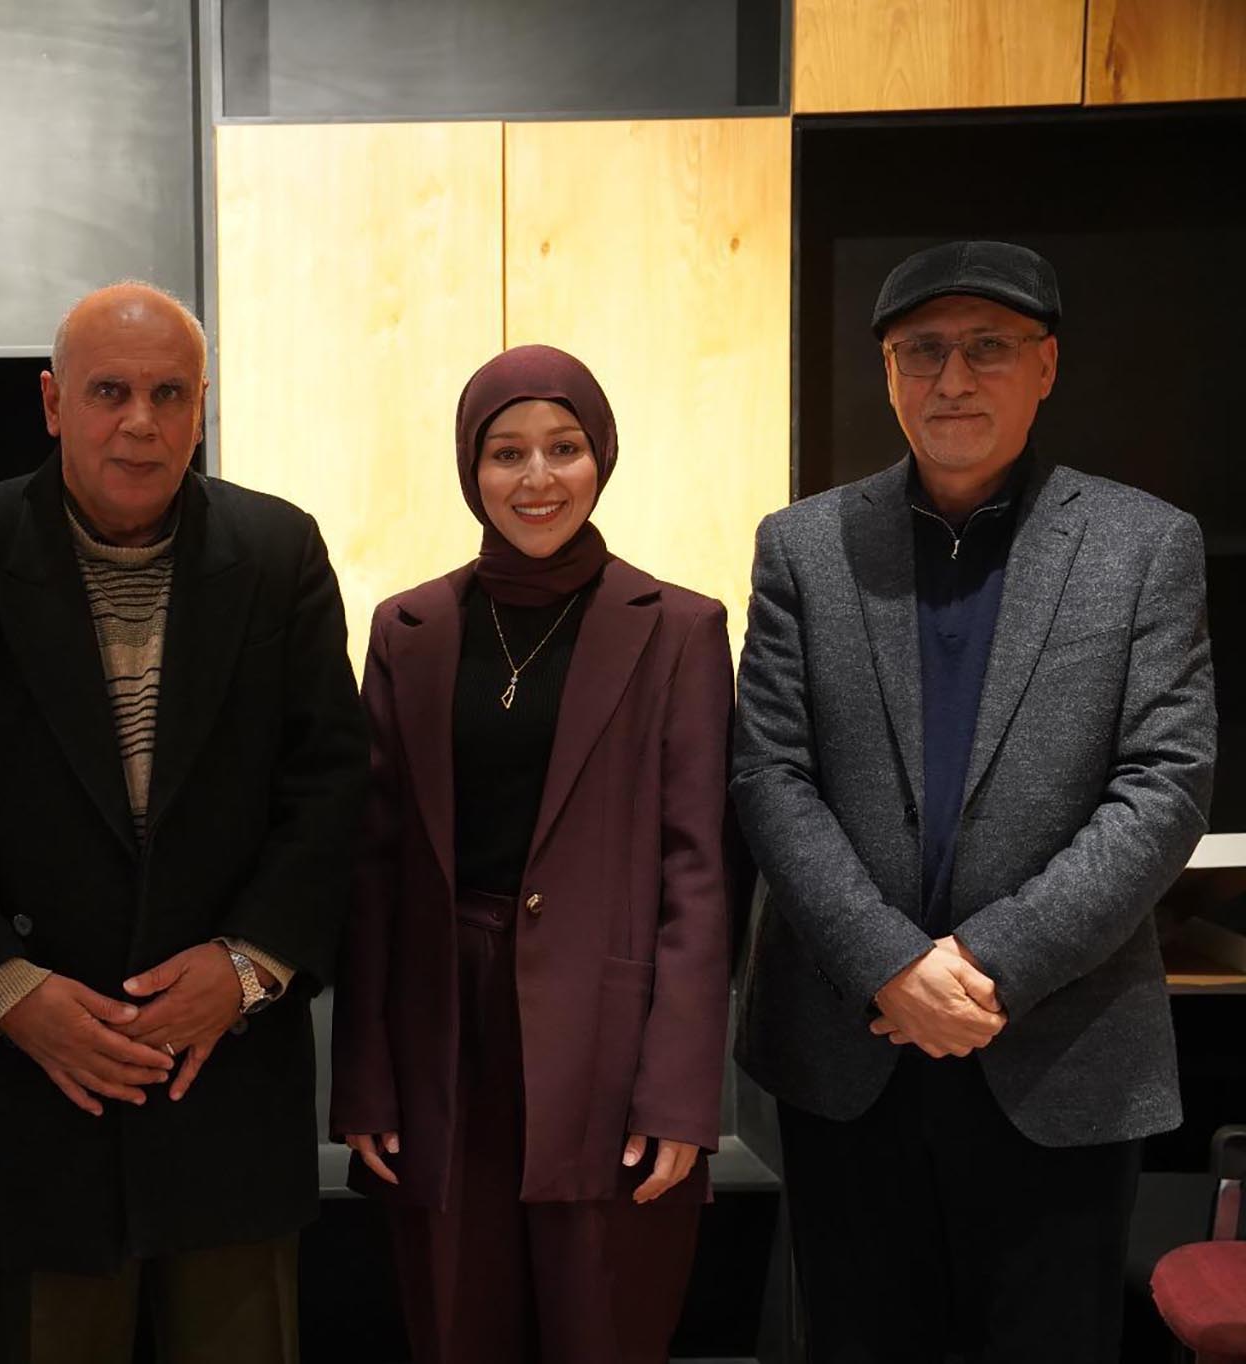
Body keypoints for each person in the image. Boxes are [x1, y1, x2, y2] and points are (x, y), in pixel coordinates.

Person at [732, 240, 1217, 1362]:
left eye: (987, 347)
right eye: (922, 351)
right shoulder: (803, 546)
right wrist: (889, 964)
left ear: (1045, 365)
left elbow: (1165, 785)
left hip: (1060, 1047)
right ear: (888, 372)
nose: (951, 379)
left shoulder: (1144, 544)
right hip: (848, 1051)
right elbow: (768, 773)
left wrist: (987, 963)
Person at [0, 281, 366, 1363]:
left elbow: (331, 783)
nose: (140, 421)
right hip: (19, 1090)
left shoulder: (279, 549)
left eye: (168, 393)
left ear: (200, 407)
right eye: (108, 392)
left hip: (223, 1080)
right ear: (53, 403)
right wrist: (5, 990)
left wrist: (247, 967)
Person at [330, 344, 733, 1363]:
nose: (536, 477)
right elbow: (371, 870)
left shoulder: (679, 629)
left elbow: (698, 872)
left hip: (610, 1041)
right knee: (454, 1324)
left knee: (603, 1326)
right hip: (440, 1035)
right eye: (505, 452)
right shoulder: (409, 628)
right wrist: (364, 1076)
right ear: (470, 468)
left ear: (602, 457)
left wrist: (681, 1091)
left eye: (563, 447)